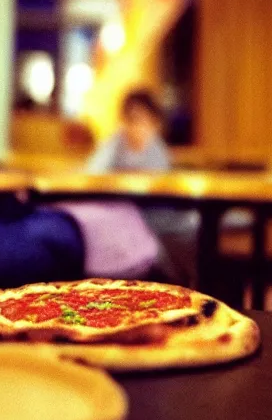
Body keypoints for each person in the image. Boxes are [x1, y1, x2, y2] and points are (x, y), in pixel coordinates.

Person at [84, 89, 199, 287]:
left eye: (141, 119)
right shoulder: (115, 145)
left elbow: (163, 190)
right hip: (128, 217)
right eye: (129, 119)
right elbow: (92, 174)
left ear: (155, 123)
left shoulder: (156, 149)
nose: (135, 127)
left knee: (194, 225)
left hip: (159, 215)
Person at [87, 90, 171, 173]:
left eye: (141, 120)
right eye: (131, 119)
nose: (137, 127)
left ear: (153, 123)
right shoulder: (115, 142)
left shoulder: (157, 148)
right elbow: (94, 171)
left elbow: (159, 180)